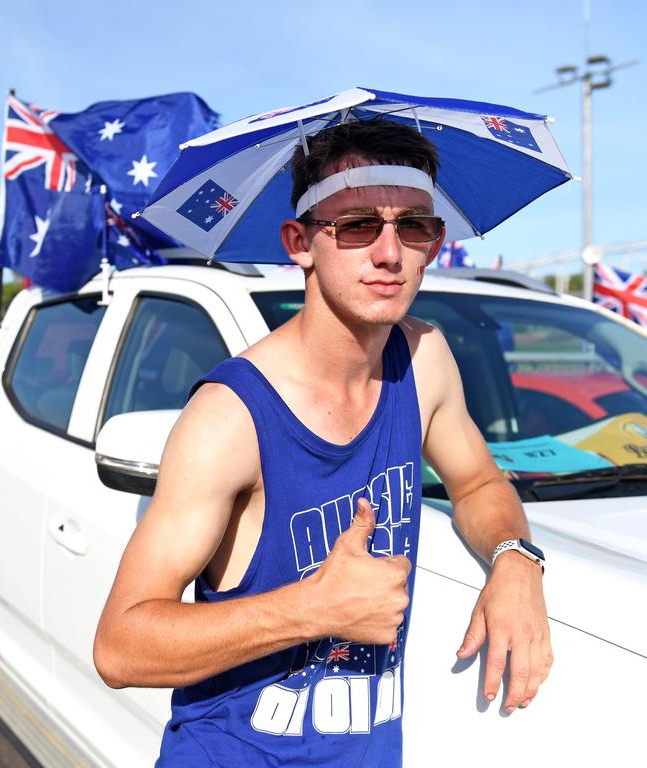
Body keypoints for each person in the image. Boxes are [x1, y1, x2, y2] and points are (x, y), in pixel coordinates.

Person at [94, 119, 551, 767]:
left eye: (414, 226)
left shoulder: (424, 360)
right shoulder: (232, 416)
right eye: (358, 225)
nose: (390, 253)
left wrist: (514, 559)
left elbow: (476, 482)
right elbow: (120, 647)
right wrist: (314, 609)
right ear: (299, 243)